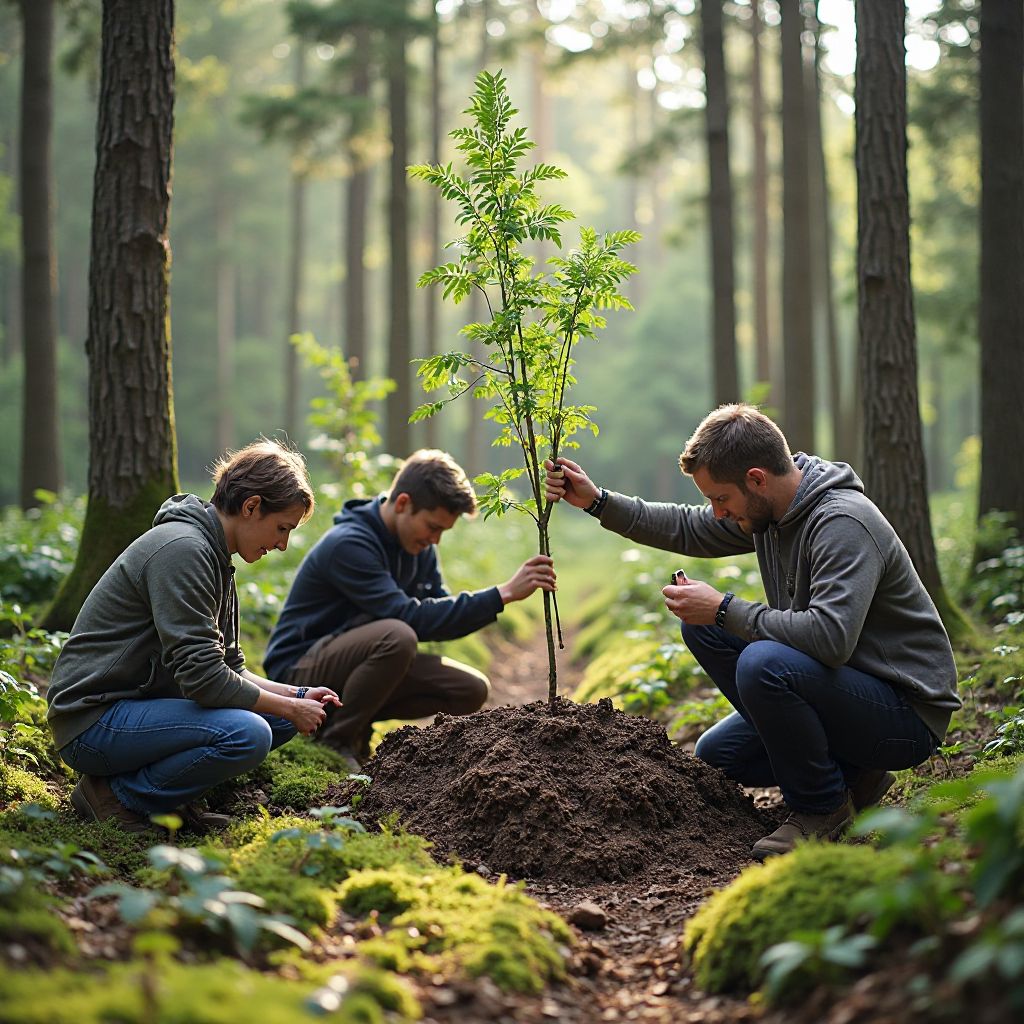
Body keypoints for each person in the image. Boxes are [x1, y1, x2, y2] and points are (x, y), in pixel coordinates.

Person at [544, 404, 960, 859]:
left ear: (757, 479)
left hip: (903, 712)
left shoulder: (842, 523)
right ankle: (857, 775)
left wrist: (724, 608)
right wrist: (596, 501)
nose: (717, 513)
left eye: (721, 499)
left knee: (762, 662)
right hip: (843, 687)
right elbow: (686, 527)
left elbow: (830, 638)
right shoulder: (773, 513)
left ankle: (821, 808)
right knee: (719, 748)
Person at [47, 440, 340, 835]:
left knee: (278, 718)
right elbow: (205, 679)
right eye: (282, 528)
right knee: (250, 733)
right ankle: (117, 797)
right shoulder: (183, 550)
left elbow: (230, 667)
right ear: (252, 507)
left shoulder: (216, 556)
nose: (282, 544)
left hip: (138, 708)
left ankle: (167, 796)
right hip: (94, 722)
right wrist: (289, 707)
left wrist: (296, 696)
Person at [264, 449, 557, 770]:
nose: (436, 540)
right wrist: (503, 594)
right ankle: (336, 740)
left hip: (360, 663)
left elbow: (438, 617)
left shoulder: (418, 546)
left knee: (469, 690)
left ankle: (358, 720)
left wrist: (498, 600)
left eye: (443, 531)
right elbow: (408, 618)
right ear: (403, 503)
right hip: (298, 671)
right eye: (433, 527)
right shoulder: (349, 544)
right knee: (398, 635)